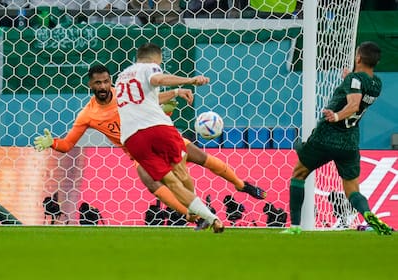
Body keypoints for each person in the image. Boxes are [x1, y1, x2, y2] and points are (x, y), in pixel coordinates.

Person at [34, 63, 266, 229]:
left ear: (111, 81)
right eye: (98, 83)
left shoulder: (123, 94)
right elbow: (67, 144)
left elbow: (152, 98)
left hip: (157, 136)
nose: (103, 86)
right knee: (152, 183)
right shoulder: (88, 114)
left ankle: (240, 184)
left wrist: (176, 91)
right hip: (138, 152)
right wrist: (51, 143)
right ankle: (194, 215)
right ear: (91, 85)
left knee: (201, 158)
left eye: (106, 81)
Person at [281, 41, 392, 235]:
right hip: (349, 142)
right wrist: (350, 80)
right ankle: (368, 215)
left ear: (358, 57)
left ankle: (295, 227)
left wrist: (336, 116)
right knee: (352, 189)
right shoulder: (376, 83)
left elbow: (354, 105)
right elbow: (360, 90)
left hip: (327, 137)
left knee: (298, 174)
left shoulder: (354, 80)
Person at [115, 43, 226, 232]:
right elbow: (158, 79)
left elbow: (148, 100)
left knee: (171, 183)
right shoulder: (150, 67)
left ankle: (206, 217)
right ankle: (199, 209)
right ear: (157, 58)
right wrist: (190, 80)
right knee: (181, 173)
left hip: (132, 139)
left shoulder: (121, 78)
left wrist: (175, 93)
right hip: (158, 128)